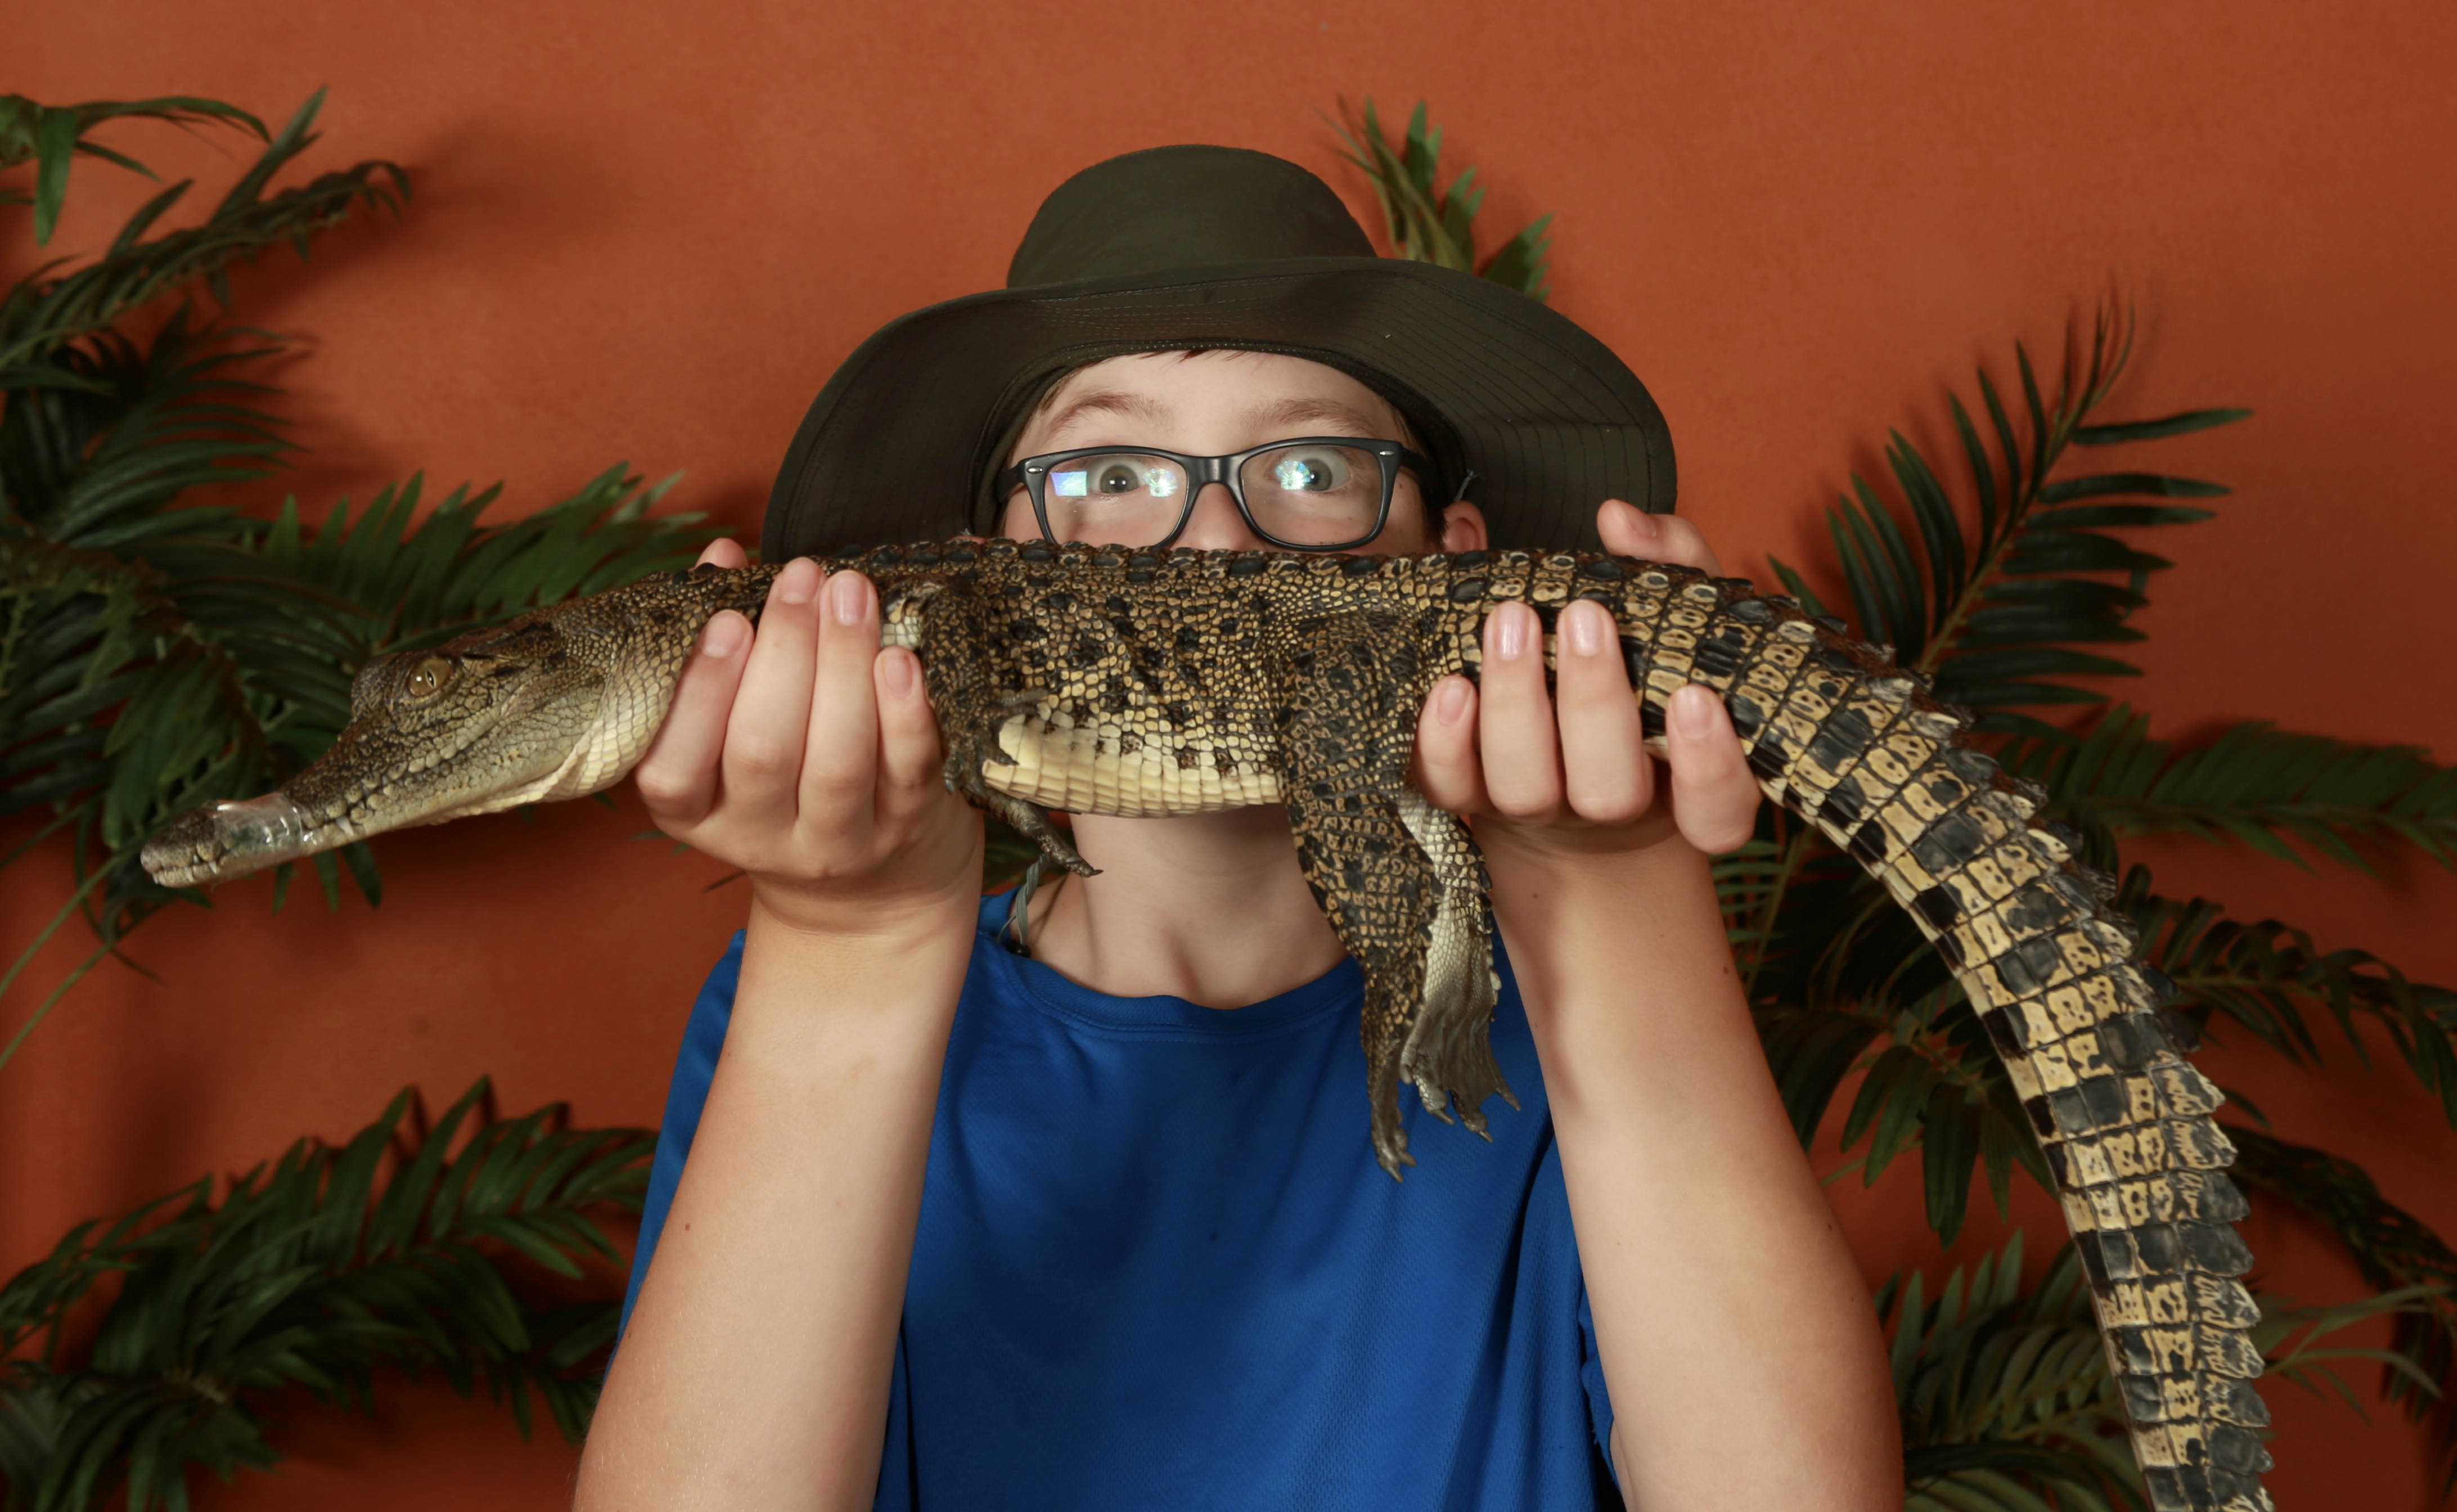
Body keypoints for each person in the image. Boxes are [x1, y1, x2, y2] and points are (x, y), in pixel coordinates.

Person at [574, 147, 1900, 1511]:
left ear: (1458, 562)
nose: (1214, 542)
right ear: (978, 571)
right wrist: (848, 944)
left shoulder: (1563, 1004)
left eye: (1313, 465)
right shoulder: (804, 990)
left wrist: (1615, 904)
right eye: (1108, 472)